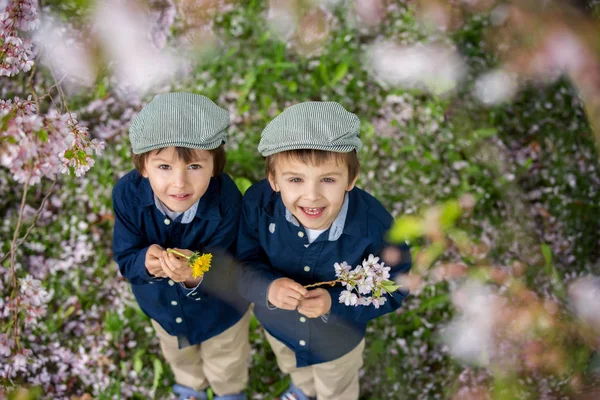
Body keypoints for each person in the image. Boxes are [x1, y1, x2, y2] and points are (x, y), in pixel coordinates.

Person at [236, 101, 412, 400]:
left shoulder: (375, 227)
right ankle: (302, 390)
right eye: (295, 180)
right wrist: (267, 287)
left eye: (328, 179)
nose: (312, 196)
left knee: (336, 384)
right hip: (280, 326)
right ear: (274, 181)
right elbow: (241, 260)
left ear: (351, 180)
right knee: (293, 365)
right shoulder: (257, 205)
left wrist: (335, 302)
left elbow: (394, 285)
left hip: (337, 341)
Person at [112, 92, 250, 400]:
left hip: (221, 313)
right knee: (178, 352)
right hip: (162, 306)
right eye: (164, 167)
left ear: (214, 166)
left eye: (194, 167)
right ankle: (191, 385)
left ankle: (229, 391)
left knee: (226, 358)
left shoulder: (227, 202)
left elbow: (237, 266)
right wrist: (143, 261)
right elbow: (125, 255)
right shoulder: (127, 195)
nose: (179, 183)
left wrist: (196, 272)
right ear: (143, 166)